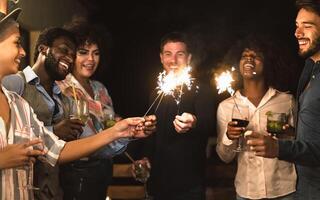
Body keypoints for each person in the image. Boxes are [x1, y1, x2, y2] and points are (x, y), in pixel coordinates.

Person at [0, 5, 157, 200]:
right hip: (76, 177)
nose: (23, 52)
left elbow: (56, 148)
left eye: (95, 53)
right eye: (17, 42)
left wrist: (121, 130)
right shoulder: (20, 83)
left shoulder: (20, 104)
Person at [246, 1, 320, 199]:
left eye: (307, 25)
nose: (297, 33)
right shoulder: (310, 70)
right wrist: (294, 134)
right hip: (304, 187)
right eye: (297, 25)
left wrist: (279, 148)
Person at [2, 26, 84, 200]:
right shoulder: (16, 83)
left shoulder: (62, 98)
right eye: (64, 50)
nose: (70, 58)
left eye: (73, 55)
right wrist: (55, 131)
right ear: (43, 49)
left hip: (51, 190)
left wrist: (119, 131)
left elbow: (57, 149)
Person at [135, 32, 214, 200]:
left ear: (189, 58)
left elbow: (209, 124)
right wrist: (144, 157)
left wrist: (194, 122)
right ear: (161, 58)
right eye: (168, 54)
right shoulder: (156, 92)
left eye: (180, 54)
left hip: (189, 183)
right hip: (157, 182)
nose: (173, 60)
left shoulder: (201, 90)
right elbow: (151, 134)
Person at [216, 35, 296, 200]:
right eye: (244, 56)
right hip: (247, 191)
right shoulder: (226, 106)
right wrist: (229, 136)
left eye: (256, 56)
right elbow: (225, 157)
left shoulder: (286, 101)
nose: (249, 59)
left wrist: (288, 135)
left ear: (267, 63)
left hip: (284, 190)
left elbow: (299, 144)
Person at [56, 23, 131, 200]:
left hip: (104, 171)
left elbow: (109, 125)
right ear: (71, 54)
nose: (91, 59)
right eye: (83, 52)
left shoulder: (100, 89)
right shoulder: (61, 88)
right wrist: (119, 132)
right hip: (76, 175)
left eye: (96, 53)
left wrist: (124, 128)